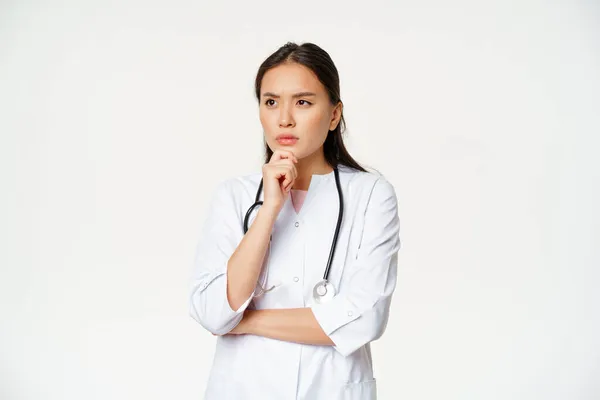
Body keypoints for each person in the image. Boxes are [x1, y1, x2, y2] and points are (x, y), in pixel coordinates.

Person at [189, 41, 401, 400]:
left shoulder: (371, 195)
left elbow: (366, 317)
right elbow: (212, 311)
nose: (284, 118)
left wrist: (245, 322)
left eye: (303, 102)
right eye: (271, 102)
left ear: (334, 115)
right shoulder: (235, 197)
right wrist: (269, 209)